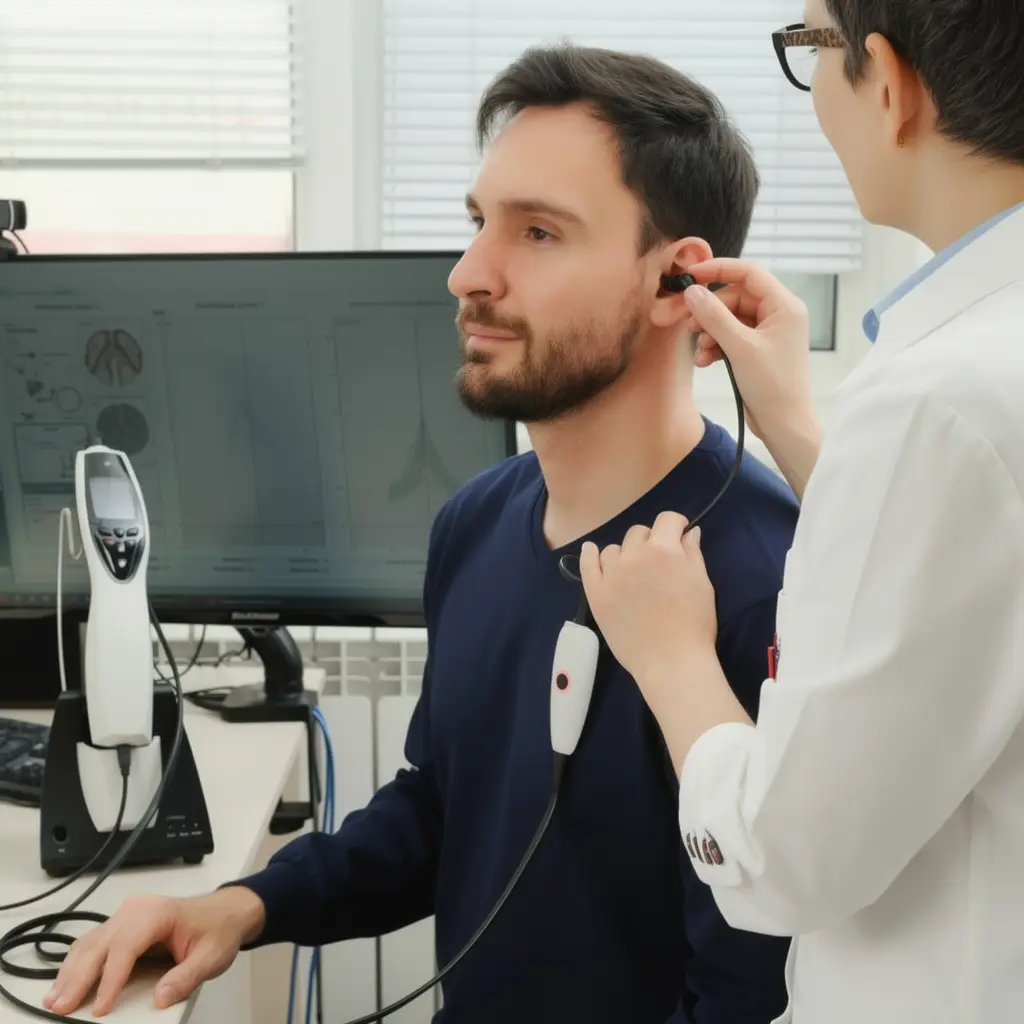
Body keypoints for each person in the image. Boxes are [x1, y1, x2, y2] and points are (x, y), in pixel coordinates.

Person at [46, 46, 799, 1023]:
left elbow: (749, 993)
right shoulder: (476, 522)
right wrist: (241, 907)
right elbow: (441, 810)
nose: (467, 275)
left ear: (677, 284)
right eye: (478, 222)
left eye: (536, 232)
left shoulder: (763, 575)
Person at [576, 2, 1024, 1022]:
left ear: (890, 83)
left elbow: (786, 860)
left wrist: (671, 656)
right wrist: (794, 424)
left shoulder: (935, 404)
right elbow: (973, 581)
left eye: (812, 48)